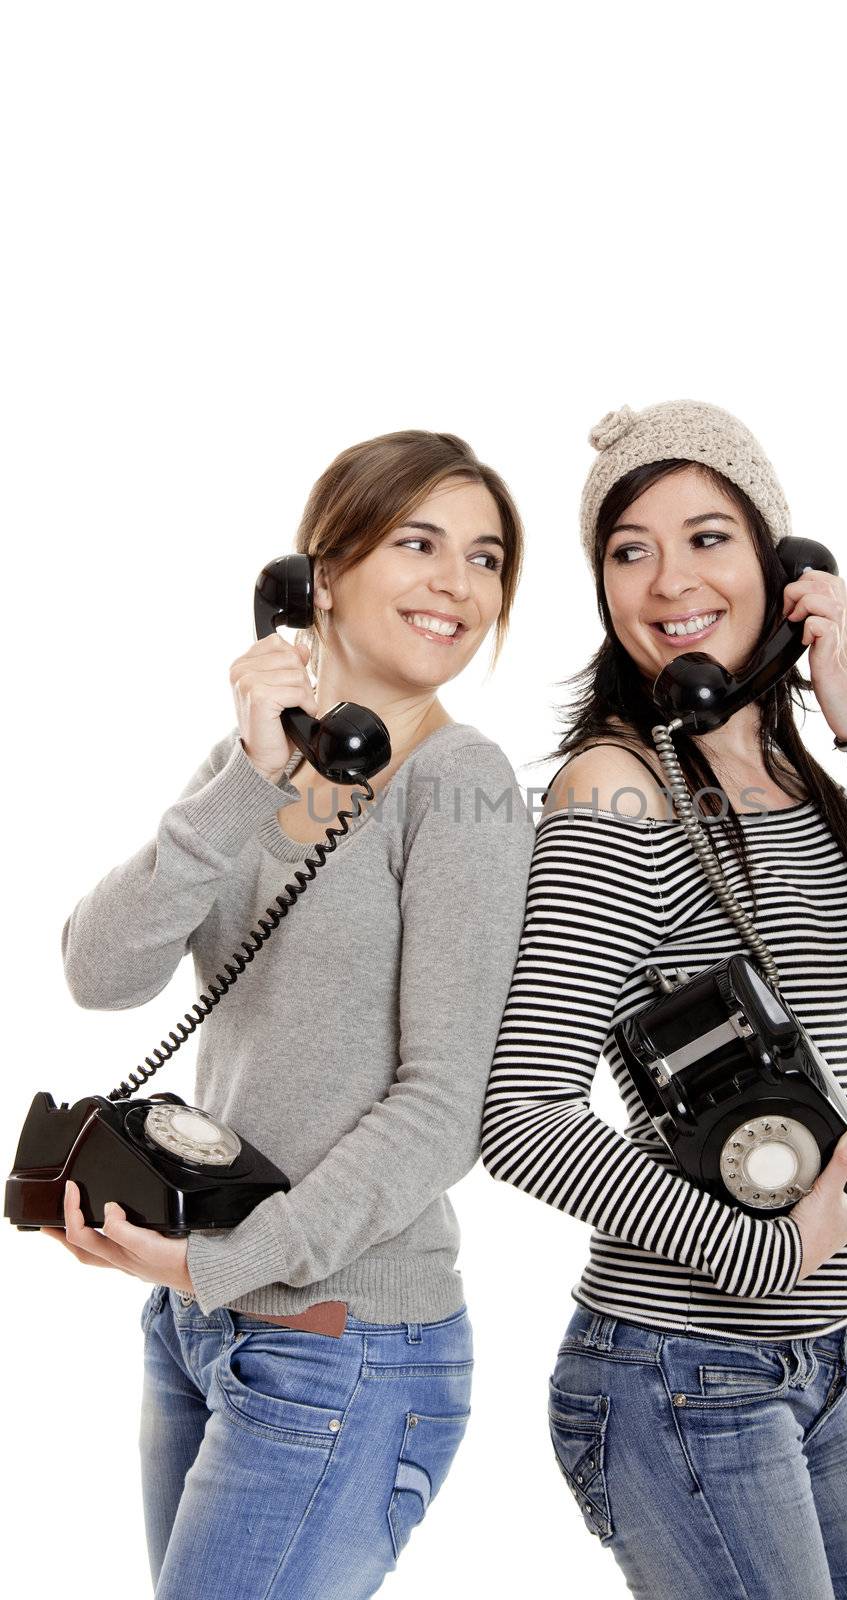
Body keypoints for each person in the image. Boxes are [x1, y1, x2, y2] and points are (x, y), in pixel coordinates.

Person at [481, 399, 847, 1598]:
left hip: (817, 1371)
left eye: (706, 536)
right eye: (628, 550)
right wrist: (761, 1250)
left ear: (778, 568)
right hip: (679, 1372)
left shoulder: (798, 783)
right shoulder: (615, 791)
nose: (668, 577)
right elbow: (517, 1114)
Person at [48, 430, 536, 1599]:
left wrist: (230, 1260)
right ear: (315, 579)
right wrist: (246, 776)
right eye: (417, 542)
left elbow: (444, 1104)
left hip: (343, 1336)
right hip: (195, 1320)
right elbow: (99, 970)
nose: (456, 583)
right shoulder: (250, 762)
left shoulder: (462, 784)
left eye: (483, 557)